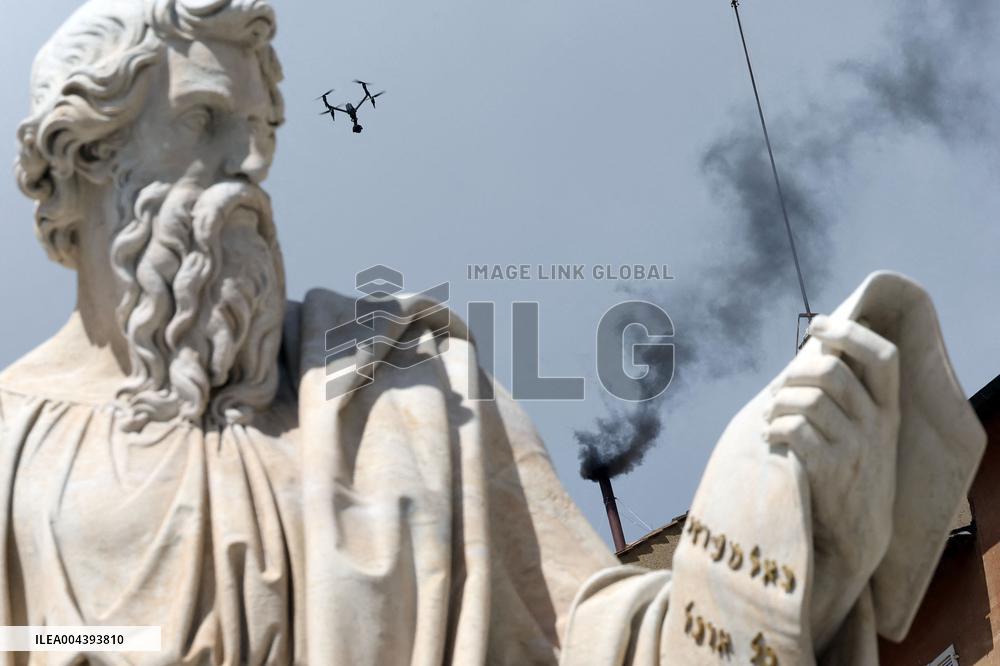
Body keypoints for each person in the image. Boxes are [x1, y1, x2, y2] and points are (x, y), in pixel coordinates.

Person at [0, 1, 983, 663]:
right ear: (86, 150)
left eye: (257, 134)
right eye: (207, 117)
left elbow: (590, 638)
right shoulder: (12, 446)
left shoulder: (401, 381)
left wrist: (764, 516)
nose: (244, 165)